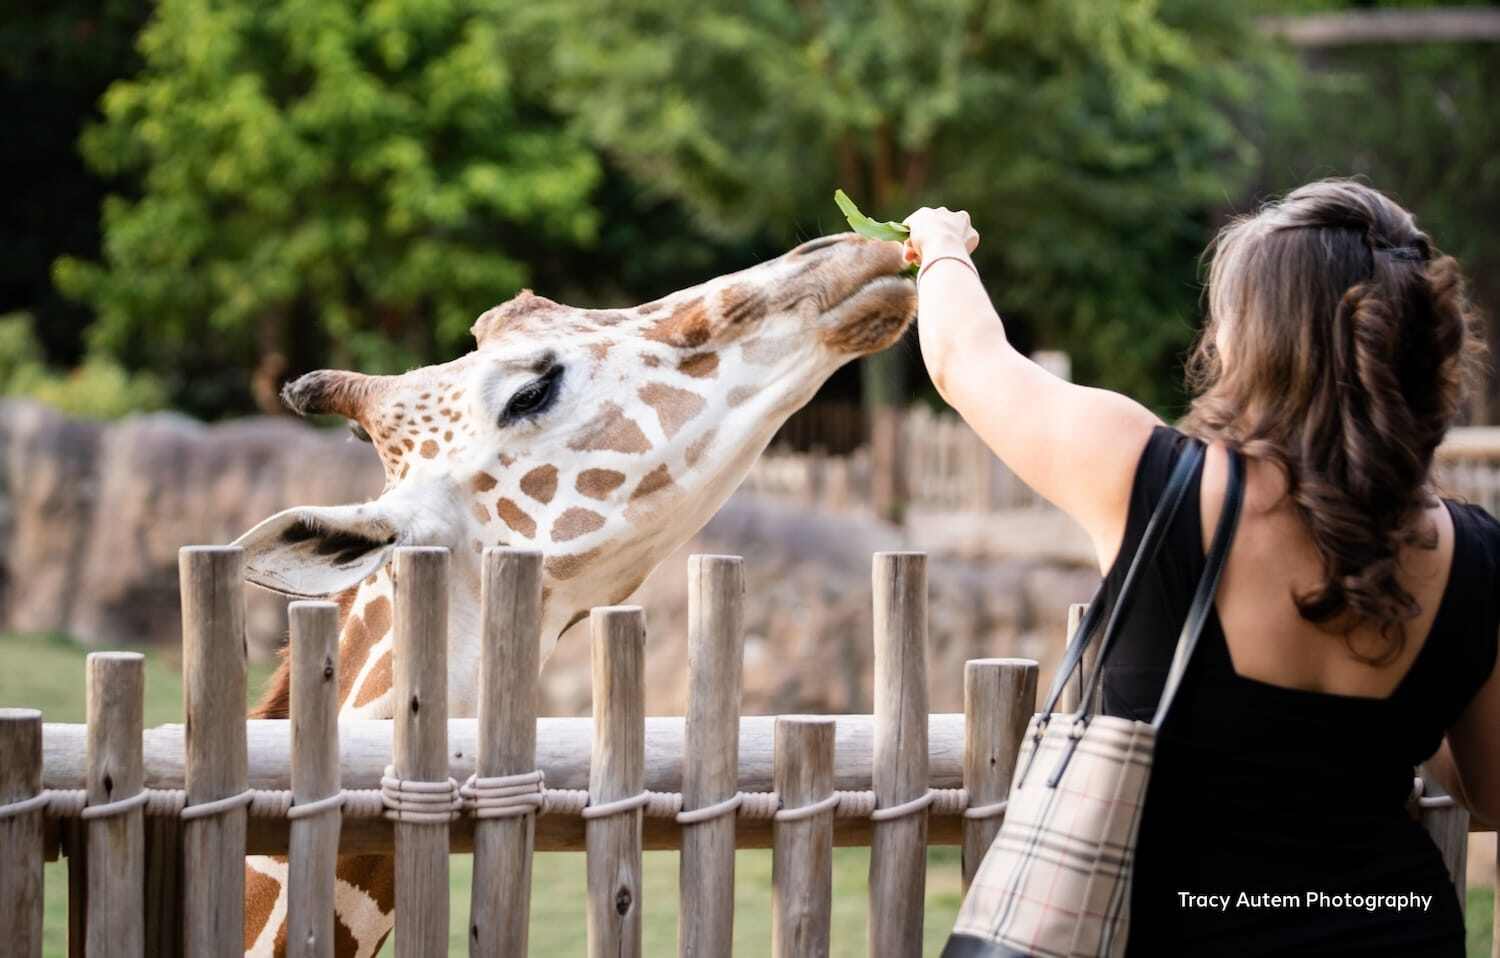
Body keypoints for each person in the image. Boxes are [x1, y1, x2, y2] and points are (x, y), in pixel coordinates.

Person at [903, 179, 1498, 956]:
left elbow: (961, 359)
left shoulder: (1152, 482)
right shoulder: (1472, 552)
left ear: (1257, 338)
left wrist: (942, 247)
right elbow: (1488, 787)